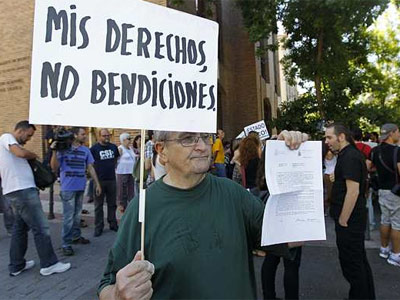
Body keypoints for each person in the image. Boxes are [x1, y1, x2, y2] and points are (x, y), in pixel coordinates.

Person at [98, 130, 308, 299]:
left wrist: (290, 160)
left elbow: (292, 237)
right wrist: (118, 294)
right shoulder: (142, 207)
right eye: (188, 139)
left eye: (205, 137)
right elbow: (106, 287)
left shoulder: (233, 193)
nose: (202, 147)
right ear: (162, 151)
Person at [1, 120, 70, 276]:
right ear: (20, 130)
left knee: (20, 228)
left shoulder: (10, 144)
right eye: (29, 135)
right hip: (22, 191)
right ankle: (49, 264)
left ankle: (16, 265)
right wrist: (33, 154)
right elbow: (20, 153)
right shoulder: (7, 138)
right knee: (41, 227)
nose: (29, 139)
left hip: (18, 191)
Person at [325, 123, 375, 299]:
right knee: (358, 262)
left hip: (349, 222)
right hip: (352, 220)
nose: (326, 141)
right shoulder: (348, 155)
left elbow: (353, 192)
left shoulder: (350, 157)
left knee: (352, 266)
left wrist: (343, 220)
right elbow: (349, 183)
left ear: (341, 137)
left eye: (329, 137)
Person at [51, 127, 101, 256]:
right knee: (68, 217)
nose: (85, 136)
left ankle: (76, 236)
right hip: (67, 188)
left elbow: (90, 167)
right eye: (83, 134)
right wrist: (54, 151)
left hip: (80, 187)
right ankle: (66, 244)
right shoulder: (63, 150)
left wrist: (97, 184)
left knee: (77, 215)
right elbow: (54, 167)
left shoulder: (85, 150)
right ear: (75, 135)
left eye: (85, 134)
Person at [369, 123, 400, 267]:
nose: (399, 134)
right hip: (396, 192)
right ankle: (395, 255)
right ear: (391, 133)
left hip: (381, 190)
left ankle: (383, 248)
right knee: (397, 224)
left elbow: (367, 167)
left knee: (385, 220)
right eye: (398, 132)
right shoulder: (397, 151)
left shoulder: (374, 151)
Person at [90, 129, 120, 237]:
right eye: (104, 135)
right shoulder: (94, 149)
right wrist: (96, 182)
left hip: (111, 179)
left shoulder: (113, 147)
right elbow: (91, 165)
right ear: (99, 136)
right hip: (99, 181)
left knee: (112, 204)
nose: (106, 137)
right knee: (98, 205)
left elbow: (116, 159)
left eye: (108, 135)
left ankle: (112, 223)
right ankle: (99, 226)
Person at [116, 132, 136, 213]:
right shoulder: (120, 148)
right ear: (123, 140)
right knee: (122, 189)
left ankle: (130, 204)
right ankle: (121, 205)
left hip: (131, 172)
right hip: (122, 171)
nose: (130, 140)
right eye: (128, 139)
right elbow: (116, 159)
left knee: (131, 189)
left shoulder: (130, 149)